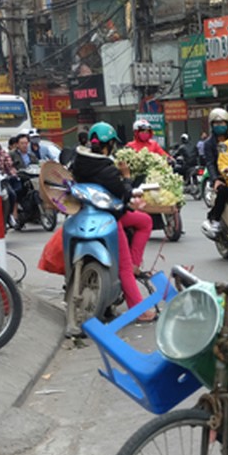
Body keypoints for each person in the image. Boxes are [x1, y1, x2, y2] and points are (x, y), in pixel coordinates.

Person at [71, 122, 157, 322]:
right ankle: (139, 310)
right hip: (108, 217)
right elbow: (124, 194)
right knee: (125, 268)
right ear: (108, 144)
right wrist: (126, 177)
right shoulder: (106, 169)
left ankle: (136, 266)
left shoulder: (79, 162)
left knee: (143, 221)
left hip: (86, 214)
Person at [201, 108, 228, 238]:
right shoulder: (208, 144)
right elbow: (210, 163)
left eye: (222, 123)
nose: (220, 126)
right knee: (223, 191)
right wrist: (215, 179)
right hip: (219, 176)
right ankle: (214, 218)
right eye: (216, 123)